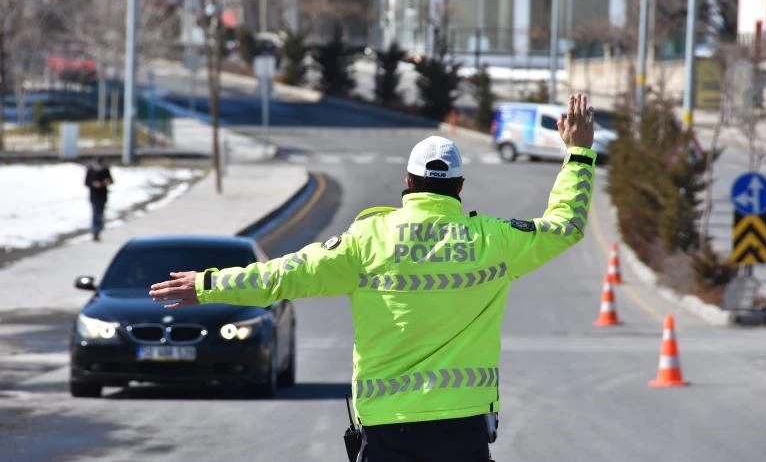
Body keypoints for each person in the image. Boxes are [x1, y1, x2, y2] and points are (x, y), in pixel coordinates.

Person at [150, 94, 597, 462]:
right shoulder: (494, 240)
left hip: (389, 430)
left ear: (407, 182)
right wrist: (578, 153)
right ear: (460, 188)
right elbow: (566, 225)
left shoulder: (369, 241)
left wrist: (208, 285)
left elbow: (283, 275)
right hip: (464, 430)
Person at [84, 157, 113, 241]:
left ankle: (99, 229)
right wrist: (93, 184)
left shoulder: (105, 170)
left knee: (101, 213)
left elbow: (111, 180)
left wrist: (107, 182)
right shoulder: (91, 170)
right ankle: (95, 232)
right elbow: (86, 182)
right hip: (94, 195)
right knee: (96, 213)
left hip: (103, 194)